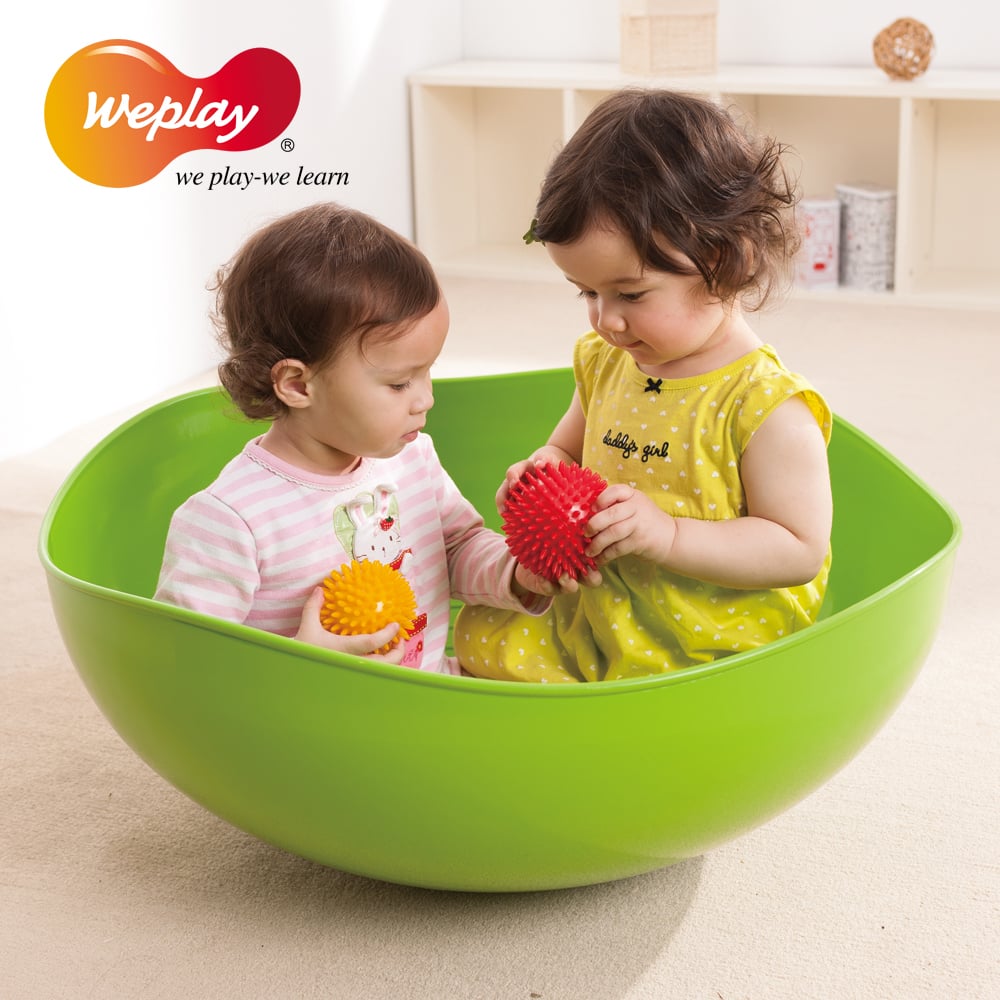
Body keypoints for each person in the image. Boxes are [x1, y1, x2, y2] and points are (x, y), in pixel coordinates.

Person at [454, 89, 833, 683]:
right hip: (608, 604)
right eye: (587, 292)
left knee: (646, 699)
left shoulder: (766, 406)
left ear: (724, 260)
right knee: (484, 642)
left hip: (705, 633)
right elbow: (566, 450)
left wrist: (670, 535)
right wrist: (540, 474)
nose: (606, 320)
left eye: (630, 294)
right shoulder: (608, 361)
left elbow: (797, 548)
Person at [155, 202, 550, 673]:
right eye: (399, 383)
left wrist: (518, 574)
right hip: (306, 714)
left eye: (427, 371)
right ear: (298, 385)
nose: (425, 399)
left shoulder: (412, 458)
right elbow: (182, 665)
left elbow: (455, 549)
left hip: (431, 691)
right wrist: (300, 660)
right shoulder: (231, 520)